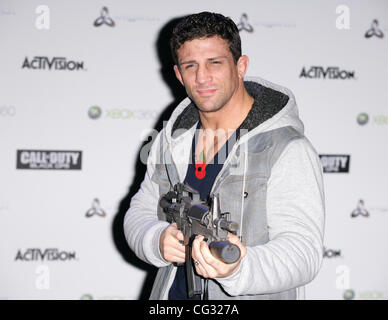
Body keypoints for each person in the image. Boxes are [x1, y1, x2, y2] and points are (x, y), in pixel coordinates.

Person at [124, 11, 325, 300]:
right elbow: (139, 212)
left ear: (241, 66)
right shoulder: (173, 140)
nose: (202, 77)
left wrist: (237, 269)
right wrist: (155, 240)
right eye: (190, 66)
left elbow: (303, 252)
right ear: (179, 74)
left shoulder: (287, 148)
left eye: (215, 63)